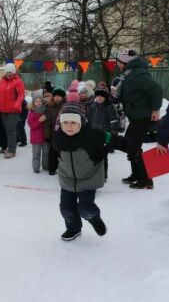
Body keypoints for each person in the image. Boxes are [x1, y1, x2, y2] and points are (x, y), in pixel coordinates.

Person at [53, 103, 133, 241]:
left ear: (81, 122)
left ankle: (94, 218)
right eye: (65, 122)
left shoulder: (92, 135)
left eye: (73, 122)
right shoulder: (58, 137)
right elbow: (57, 154)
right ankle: (73, 229)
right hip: (67, 178)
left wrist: (130, 147)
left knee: (85, 208)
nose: (69, 126)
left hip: (88, 177)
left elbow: (112, 139)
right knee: (66, 209)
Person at [117, 49, 163, 189]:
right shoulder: (130, 74)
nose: (117, 64)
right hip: (137, 115)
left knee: (132, 145)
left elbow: (156, 89)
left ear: (124, 62)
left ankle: (146, 179)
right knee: (131, 144)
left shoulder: (138, 74)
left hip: (143, 116)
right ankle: (137, 175)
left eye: (118, 61)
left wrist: (156, 108)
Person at [0, 63, 25, 159]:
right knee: (7, 129)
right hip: (3, 109)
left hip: (14, 110)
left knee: (10, 129)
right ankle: (10, 146)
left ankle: (11, 150)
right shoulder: (1, 81)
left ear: (14, 72)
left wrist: (17, 104)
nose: (8, 74)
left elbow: (21, 95)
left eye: (10, 72)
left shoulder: (18, 82)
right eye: (7, 72)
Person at [87, 86, 118, 179]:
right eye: (98, 96)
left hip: (105, 135)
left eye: (102, 96)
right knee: (92, 154)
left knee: (103, 155)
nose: (99, 98)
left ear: (105, 97)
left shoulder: (109, 107)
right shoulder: (92, 106)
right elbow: (88, 119)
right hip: (93, 135)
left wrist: (113, 132)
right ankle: (93, 173)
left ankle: (103, 175)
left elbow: (113, 121)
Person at [45, 86, 66, 174]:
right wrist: (47, 135)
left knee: (63, 153)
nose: (57, 97)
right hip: (53, 133)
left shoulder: (66, 106)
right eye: (56, 96)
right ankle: (52, 169)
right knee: (52, 152)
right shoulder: (49, 107)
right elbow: (47, 123)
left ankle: (63, 169)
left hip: (64, 133)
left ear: (63, 97)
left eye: (59, 96)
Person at [27, 95, 49, 173]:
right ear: (34, 103)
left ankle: (46, 166)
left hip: (45, 136)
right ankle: (36, 168)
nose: (39, 103)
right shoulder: (32, 112)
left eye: (40, 101)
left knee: (46, 153)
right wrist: (39, 120)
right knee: (36, 154)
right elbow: (32, 125)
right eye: (36, 101)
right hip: (36, 138)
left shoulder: (46, 110)